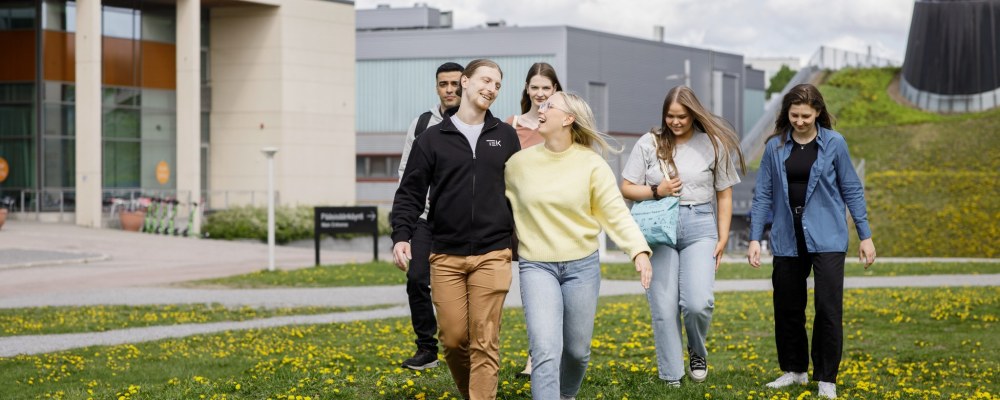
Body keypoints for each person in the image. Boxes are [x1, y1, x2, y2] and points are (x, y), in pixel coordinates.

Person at [505, 91, 653, 400]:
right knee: (545, 349)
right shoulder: (517, 164)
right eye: (540, 105)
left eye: (549, 106)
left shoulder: (591, 165)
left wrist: (638, 250)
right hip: (536, 265)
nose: (540, 109)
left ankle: (566, 395)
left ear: (568, 119)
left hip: (581, 267)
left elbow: (615, 212)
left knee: (576, 351)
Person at [391, 59, 520, 400]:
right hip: (446, 252)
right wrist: (402, 236)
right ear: (465, 81)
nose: (491, 88)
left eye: (497, 85)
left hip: (494, 251)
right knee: (453, 339)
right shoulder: (432, 138)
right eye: (486, 80)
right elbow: (410, 193)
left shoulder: (505, 136)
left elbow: (521, 192)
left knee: (484, 338)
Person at [747, 83, 876, 399]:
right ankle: (794, 371)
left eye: (806, 115)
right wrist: (753, 238)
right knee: (788, 306)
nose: (800, 121)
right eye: (794, 115)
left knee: (828, 308)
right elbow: (762, 193)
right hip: (786, 236)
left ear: (818, 112)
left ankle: (826, 378)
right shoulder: (774, 146)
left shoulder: (835, 143)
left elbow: (852, 189)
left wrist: (865, 235)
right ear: (786, 113)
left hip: (828, 235)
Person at [620, 85, 745, 387]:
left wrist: (723, 237)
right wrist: (656, 190)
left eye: (682, 117)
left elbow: (724, 195)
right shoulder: (649, 143)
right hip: (658, 225)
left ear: (694, 115)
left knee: (697, 303)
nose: (675, 122)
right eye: (670, 116)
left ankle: (697, 351)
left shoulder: (713, 144)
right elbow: (625, 187)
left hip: (699, 224)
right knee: (663, 306)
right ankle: (671, 374)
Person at [395, 61, 464, 371]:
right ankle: (426, 348)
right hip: (425, 220)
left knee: (462, 286)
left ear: (465, 84)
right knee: (416, 279)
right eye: (443, 84)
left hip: (461, 223)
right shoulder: (422, 124)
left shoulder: (478, 124)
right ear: (437, 87)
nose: (449, 90)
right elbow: (405, 175)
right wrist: (403, 227)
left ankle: (465, 344)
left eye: (454, 84)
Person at [506, 61, 563, 378]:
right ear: (526, 89)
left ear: (556, 90)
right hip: (519, 219)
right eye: (535, 87)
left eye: (547, 87)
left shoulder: (563, 123)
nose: (540, 94)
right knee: (531, 288)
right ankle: (538, 352)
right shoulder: (510, 125)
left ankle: (539, 355)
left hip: (555, 220)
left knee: (551, 289)